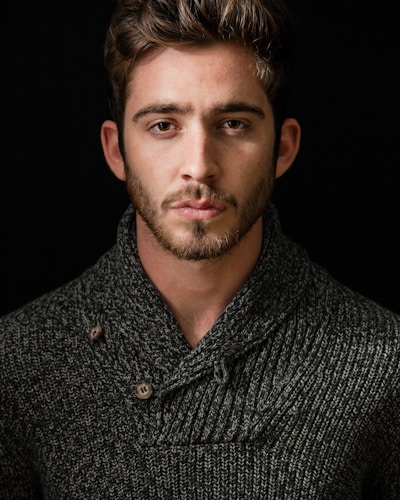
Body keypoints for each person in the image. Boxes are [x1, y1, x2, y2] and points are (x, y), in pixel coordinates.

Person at [1, 0, 399, 497]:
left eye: (233, 123)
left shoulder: (384, 362)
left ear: (283, 148)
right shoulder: (18, 363)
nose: (199, 165)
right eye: (163, 125)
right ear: (116, 150)